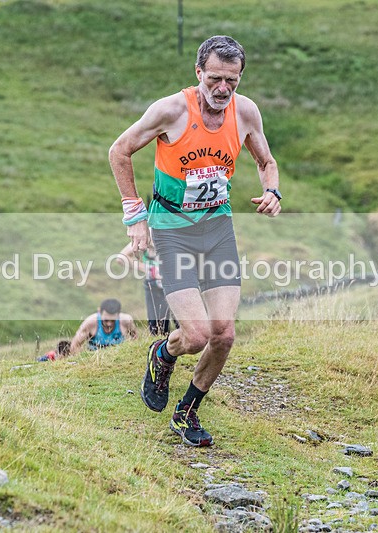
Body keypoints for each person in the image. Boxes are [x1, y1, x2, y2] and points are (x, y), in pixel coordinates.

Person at [108, 35, 281, 447]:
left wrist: (273, 191)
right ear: (199, 72)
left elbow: (265, 161)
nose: (223, 90)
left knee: (224, 333)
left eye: (232, 82)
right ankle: (163, 354)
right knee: (198, 333)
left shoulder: (246, 112)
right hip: (172, 230)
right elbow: (119, 150)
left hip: (217, 228)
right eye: (216, 79)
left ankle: (187, 411)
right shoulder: (171, 110)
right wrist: (135, 216)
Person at [116, 236, 176, 336]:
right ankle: (161, 348)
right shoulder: (147, 236)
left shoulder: (173, 233)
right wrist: (149, 269)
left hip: (176, 282)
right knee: (157, 328)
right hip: (154, 285)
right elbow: (121, 258)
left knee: (185, 321)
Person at [66, 299, 137, 357]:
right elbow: (75, 345)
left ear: (118, 314)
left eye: (113, 320)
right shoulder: (90, 323)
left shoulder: (126, 321)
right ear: (99, 312)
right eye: (106, 320)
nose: (109, 324)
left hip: (119, 358)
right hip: (95, 360)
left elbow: (136, 341)